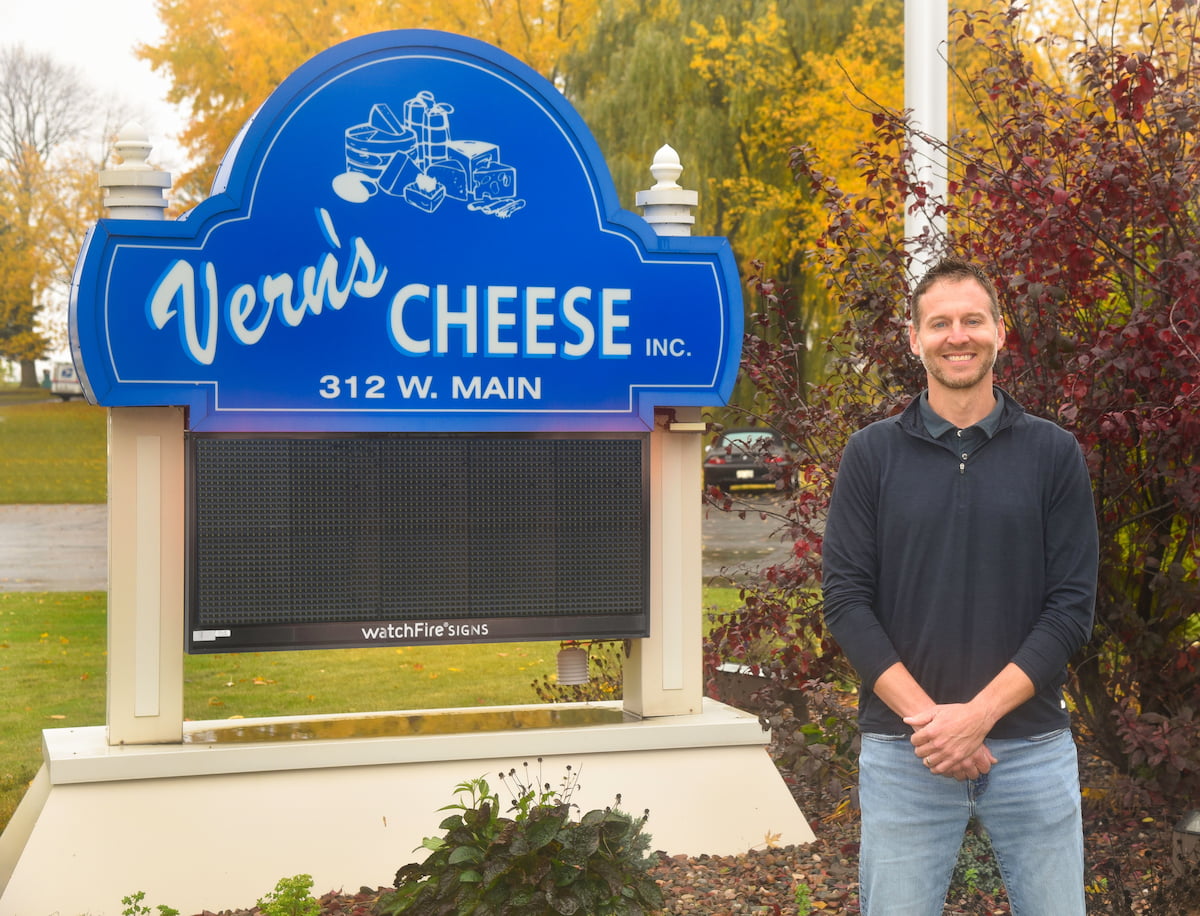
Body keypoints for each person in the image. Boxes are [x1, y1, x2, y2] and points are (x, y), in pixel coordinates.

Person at [821, 257, 1098, 915]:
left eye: (973, 320)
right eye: (940, 323)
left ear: (1001, 332)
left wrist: (976, 718)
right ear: (914, 339)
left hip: (1031, 748)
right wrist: (934, 725)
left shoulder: (1054, 454)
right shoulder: (871, 456)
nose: (958, 335)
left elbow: (1071, 609)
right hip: (904, 752)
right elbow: (847, 602)